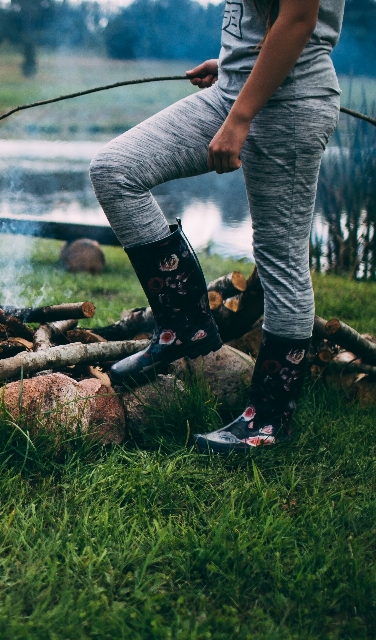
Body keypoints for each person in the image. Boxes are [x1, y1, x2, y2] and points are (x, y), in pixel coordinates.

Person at [89, 0, 343, 453]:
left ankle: (268, 420)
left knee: (280, 258)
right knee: (115, 169)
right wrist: (235, 64)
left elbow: (300, 18)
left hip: (289, 104)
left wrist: (242, 116)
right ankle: (183, 325)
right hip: (234, 91)